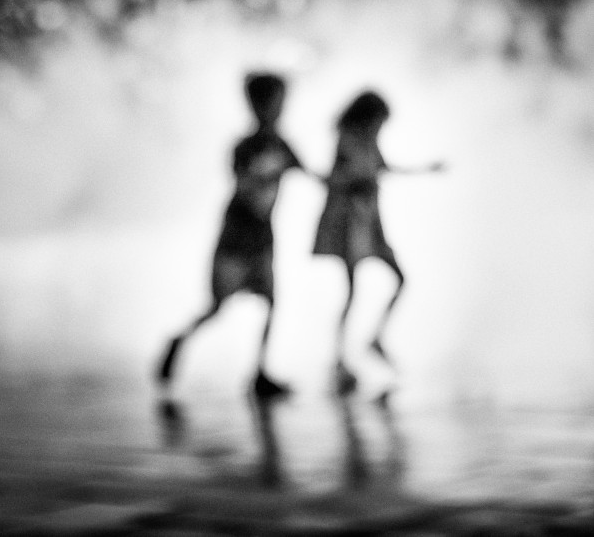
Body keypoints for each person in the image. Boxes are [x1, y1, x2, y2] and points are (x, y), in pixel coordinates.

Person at [157, 72, 305, 397]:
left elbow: (311, 173)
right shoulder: (245, 146)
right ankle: (179, 340)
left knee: (271, 302)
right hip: (237, 235)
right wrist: (270, 173)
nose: (278, 110)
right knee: (217, 306)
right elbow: (244, 184)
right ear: (257, 106)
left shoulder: (282, 144)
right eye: (273, 103)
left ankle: (260, 371)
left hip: (262, 236)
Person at [313, 90, 443, 395]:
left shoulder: (369, 143)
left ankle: (375, 338)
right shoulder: (347, 141)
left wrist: (424, 169)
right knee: (351, 291)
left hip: (370, 223)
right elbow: (338, 177)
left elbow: (385, 168)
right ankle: (339, 358)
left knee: (399, 278)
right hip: (349, 223)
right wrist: (356, 180)